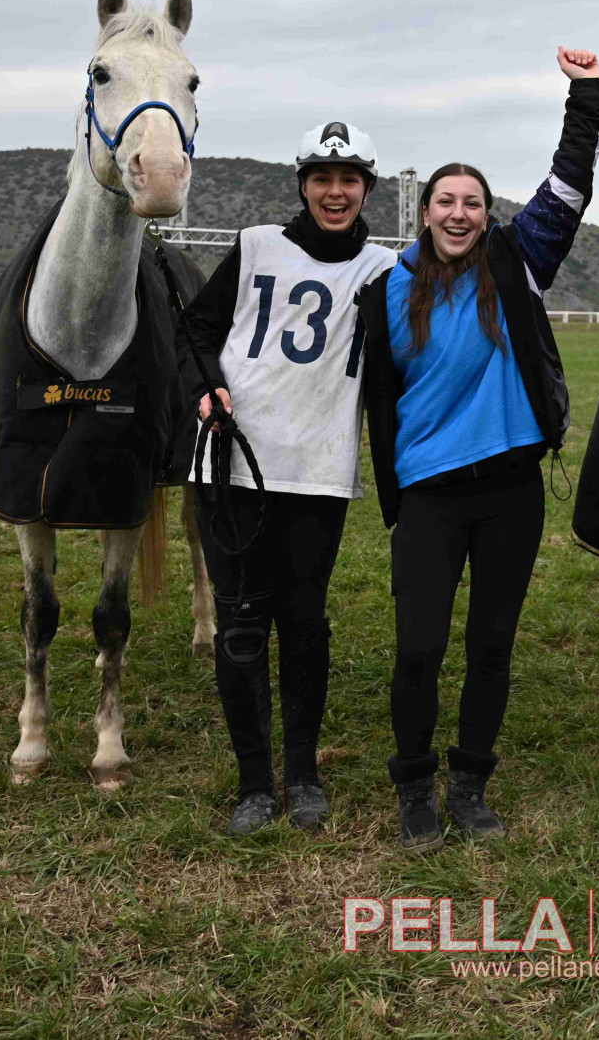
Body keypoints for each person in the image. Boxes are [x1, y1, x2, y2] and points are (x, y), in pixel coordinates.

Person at [355, 48, 599, 849]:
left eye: (472, 202)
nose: (459, 213)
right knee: (419, 649)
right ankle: (414, 792)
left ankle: (470, 784)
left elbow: (569, 190)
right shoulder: (385, 289)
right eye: (445, 201)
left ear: (486, 213)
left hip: (510, 492)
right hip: (430, 494)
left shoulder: (514, 261)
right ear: (424, 211)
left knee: (492, 644)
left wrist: (588, 96)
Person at [181, 121, 396, 834]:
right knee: (241, 623)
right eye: (322, 179)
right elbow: (196, 330)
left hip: (318, 473)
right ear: (302, 184)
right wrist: (208, 386)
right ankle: (253, 783)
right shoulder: (253, 245)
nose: (335, 193)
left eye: (350, 180)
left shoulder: (383, 270)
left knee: (304, 624)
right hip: (233, 464)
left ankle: (302, 774)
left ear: (366, 188)